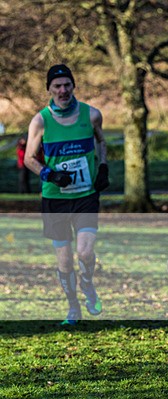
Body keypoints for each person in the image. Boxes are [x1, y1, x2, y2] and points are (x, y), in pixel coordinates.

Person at [24, 64, 109, 326]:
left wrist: (103, 166)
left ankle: (88, 284)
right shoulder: (40, 121)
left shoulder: (92, 115)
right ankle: (73, 306)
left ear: (73, 86)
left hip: (85, 195)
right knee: (64, 260)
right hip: (55, 197)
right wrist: (49, 174)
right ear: (49, 89)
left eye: (67, 85)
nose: (63, 90)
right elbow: (28, 158)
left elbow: (101, 141)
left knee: (84, 252)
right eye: (57, 86)